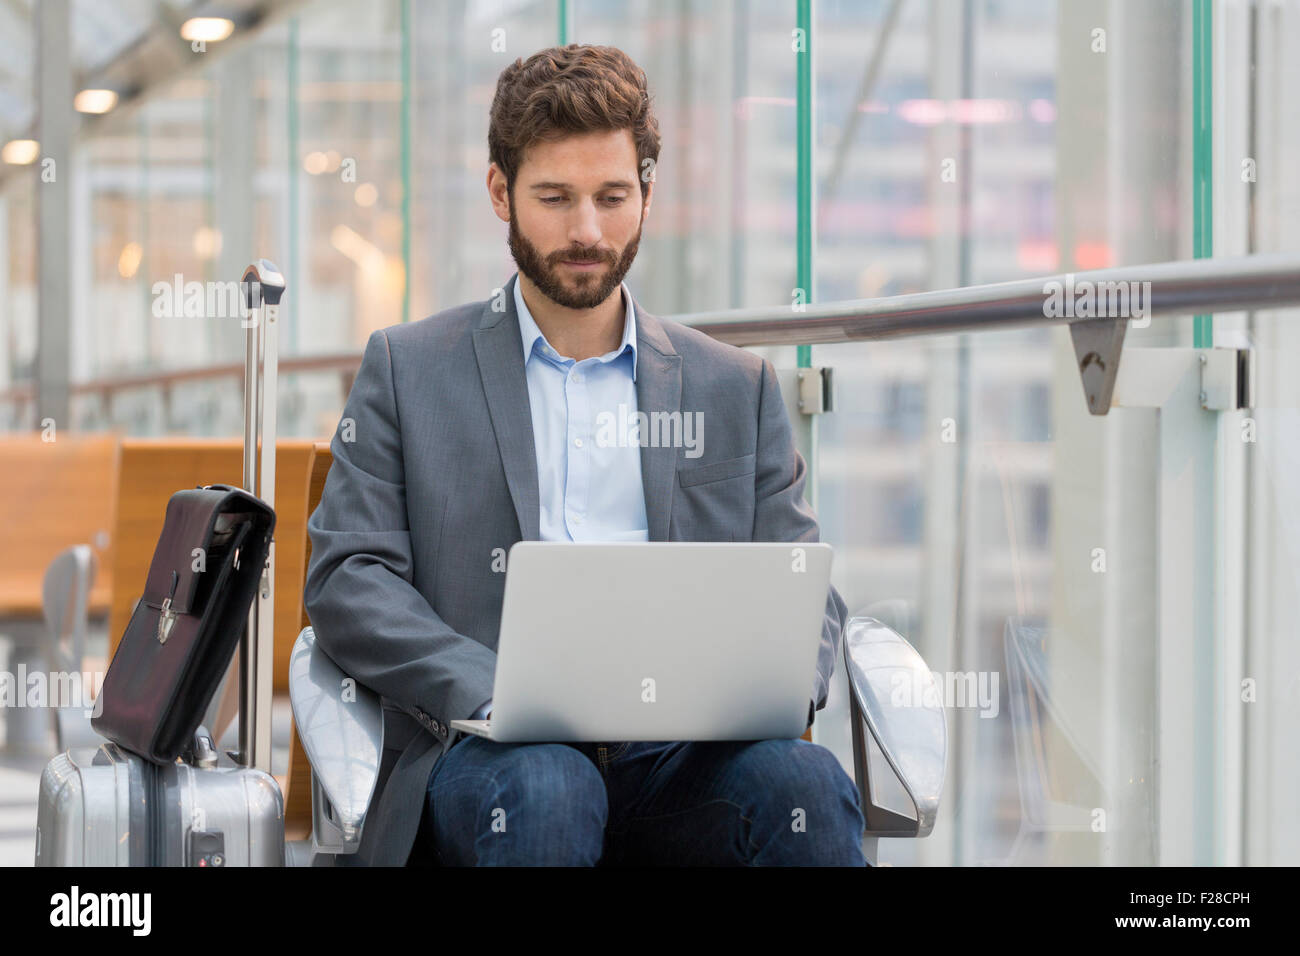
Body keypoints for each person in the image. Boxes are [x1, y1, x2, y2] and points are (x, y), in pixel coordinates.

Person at [304, 43, 866, 866]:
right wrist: (496, 692)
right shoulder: (408, 368)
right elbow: (347, 577)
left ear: (646, 192)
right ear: (501, 192)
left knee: (804, 786)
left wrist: (775, 684)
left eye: (612, 196)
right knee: (549, 788)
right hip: (493, 756)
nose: (587, 232)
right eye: (555, 198)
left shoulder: (733, 385)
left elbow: (805, 584)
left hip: (681, 753)